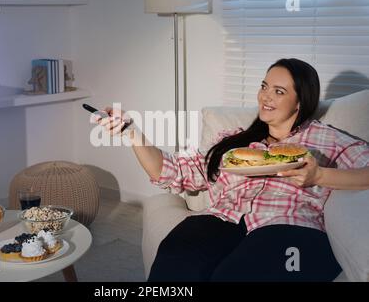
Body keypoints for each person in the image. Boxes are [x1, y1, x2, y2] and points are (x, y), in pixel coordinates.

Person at [94, 58, 369, 282]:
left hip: (287, 225)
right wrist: (132, 133)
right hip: (221, 220)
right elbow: (173, 171)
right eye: (264, 86)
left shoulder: (326, 139)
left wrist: (320, 175)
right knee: (174, 267)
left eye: (279, 91)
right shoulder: (235, 141)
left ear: (301, 101)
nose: (265, 96)